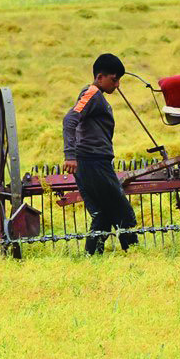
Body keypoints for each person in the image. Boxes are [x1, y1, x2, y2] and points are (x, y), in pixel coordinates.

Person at [61, 53, 138, 255]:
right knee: (123, 212)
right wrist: (70, 154)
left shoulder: (97, 96)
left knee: (102, 214)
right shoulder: (92, 93)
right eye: (114, 79)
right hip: (92, 162)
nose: (117, 85)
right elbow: (69, 120)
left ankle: (93, 257)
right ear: (100, 76)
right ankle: (136, 254)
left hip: (93, 162)